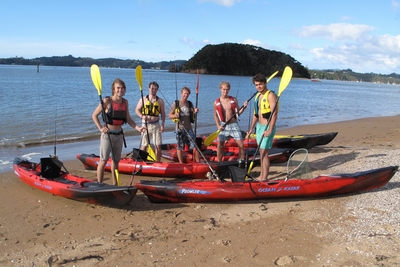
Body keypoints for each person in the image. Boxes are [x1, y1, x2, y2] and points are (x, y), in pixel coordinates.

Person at [92, 78, 145, 185]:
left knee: (116, 161)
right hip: (108, 135)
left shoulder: (125, 102)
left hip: (119, 135)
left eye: (122, 88)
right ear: (114, 89)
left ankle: (115, 184)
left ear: (124, 90)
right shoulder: (107, 101)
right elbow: (94, 115)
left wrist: (138, 128)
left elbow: (128, 119)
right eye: (118, 88)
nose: (120, 90)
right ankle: (99, 184)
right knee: (103, 160)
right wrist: (101, 128)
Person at [246, 73, 278, 181]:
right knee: (261, 153)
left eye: (260, 84)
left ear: (265, 83)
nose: (258, 86)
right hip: (259, 127)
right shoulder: (258, 96)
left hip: (267, 127)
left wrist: (269, 129)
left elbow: (274, 113)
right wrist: (251, 128)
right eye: (256, 85)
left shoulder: (270, 95)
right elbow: (256, 114)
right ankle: (262, 175)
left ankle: (264, 177)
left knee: (264, 153)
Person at [213, 81, 247, 166]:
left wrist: (244, 107)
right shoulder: (216, 102)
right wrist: (218, 125)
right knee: (219, 146)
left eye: (227, 90)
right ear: (220, 89)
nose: (225, 91)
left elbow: (238, 113)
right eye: (224, 89)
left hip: (234, 125)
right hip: (223, 126)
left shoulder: (233, 100)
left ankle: (241, 162)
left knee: (241, 145)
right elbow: (215, 115)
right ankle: (219, 163)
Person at [135, 81, 166, 162]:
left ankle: (158, 162)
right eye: (152, 88)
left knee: (158, 146)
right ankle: (141, 162)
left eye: (155, 89)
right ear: (149, 89)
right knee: (144, 145)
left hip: (156, 125)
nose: (153, 90)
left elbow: (163, 113)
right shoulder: (143, 99)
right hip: (145, 125)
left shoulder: (160, 101)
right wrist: (142, 116)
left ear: (157, 90)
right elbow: (137, 110)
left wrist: (162, 125)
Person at [168, 86, 199, 163]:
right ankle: (181, 163)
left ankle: (197, 162)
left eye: (188, 94)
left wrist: (195, 111)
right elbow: (169, 115)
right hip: (180, 128)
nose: (186, 95)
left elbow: (192, 115)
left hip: (189, 128)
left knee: (195, 145)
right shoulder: (176, 103)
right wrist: (175, 115)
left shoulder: (190, 103)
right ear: (181, 93)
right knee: (180, 146)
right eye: (185, 93)